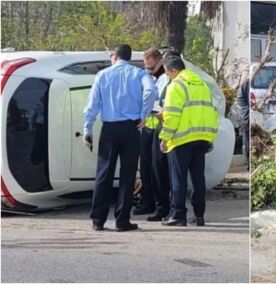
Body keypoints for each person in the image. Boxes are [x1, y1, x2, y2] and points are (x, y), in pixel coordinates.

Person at [83, 44, 157, 232]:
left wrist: (87, 128)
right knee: (128, 174)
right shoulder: (139, 74)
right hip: (131, 128)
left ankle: (97, 220)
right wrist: (144, 113)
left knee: (104, 173)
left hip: (109, 128)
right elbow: (151, 91)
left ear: (115, 56)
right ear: (129, 57)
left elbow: (92, 104)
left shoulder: (103, 75)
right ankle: (122, 220)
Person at [159, 56, 219, 226]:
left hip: (181, 139)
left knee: (179, 178)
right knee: (198, 178)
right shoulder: (202, 85)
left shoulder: (176, 85)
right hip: (201, 139)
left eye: (167, 73)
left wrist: (165, 137)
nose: (167, 77)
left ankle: (178, 215)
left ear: (174, 71)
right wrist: (210, 137)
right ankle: (199, 215)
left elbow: (171, 115)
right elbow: (212, 113)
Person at [133, 48, 171, 221]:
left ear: (160, 62)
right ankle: (147, 201)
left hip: (160, 128)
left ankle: (160, 205)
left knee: (158, 171)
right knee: (146, 169)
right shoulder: (152, 78)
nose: (148, 71)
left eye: (151, 68)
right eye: (146, 68)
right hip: (148, 128)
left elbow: (160, 103)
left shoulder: (166, 79)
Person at [237, 79, 250, 170]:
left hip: (259, 117)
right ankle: (248, 163)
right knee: (247, 141)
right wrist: (246, 112)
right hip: (247, 118)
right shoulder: (246, 83)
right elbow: (240, 100)